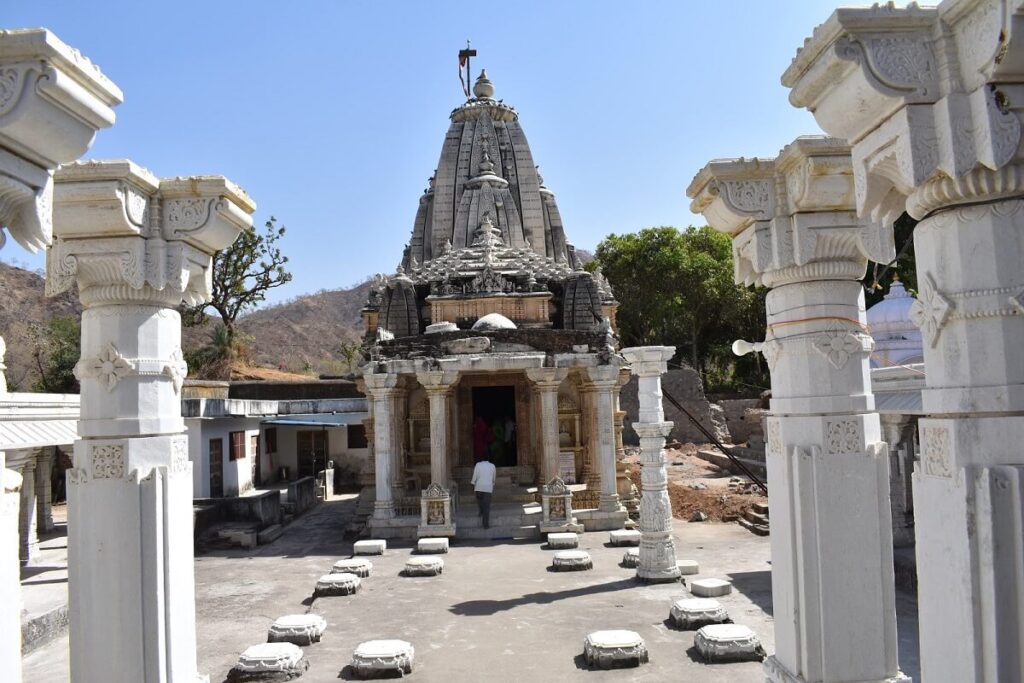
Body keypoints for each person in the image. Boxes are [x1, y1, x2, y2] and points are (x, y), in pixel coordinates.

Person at [471, 454, 496, 529]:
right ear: (488, 459)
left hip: (479, 487)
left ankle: (481, 511)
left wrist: (473, 482)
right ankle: (485, 524)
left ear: (481, 459)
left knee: (480, 501)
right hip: (488, 488)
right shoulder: (492, 466)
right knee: (487, 507)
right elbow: (494, 477)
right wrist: (492, 483)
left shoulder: (478, 465)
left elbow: (475, 475)